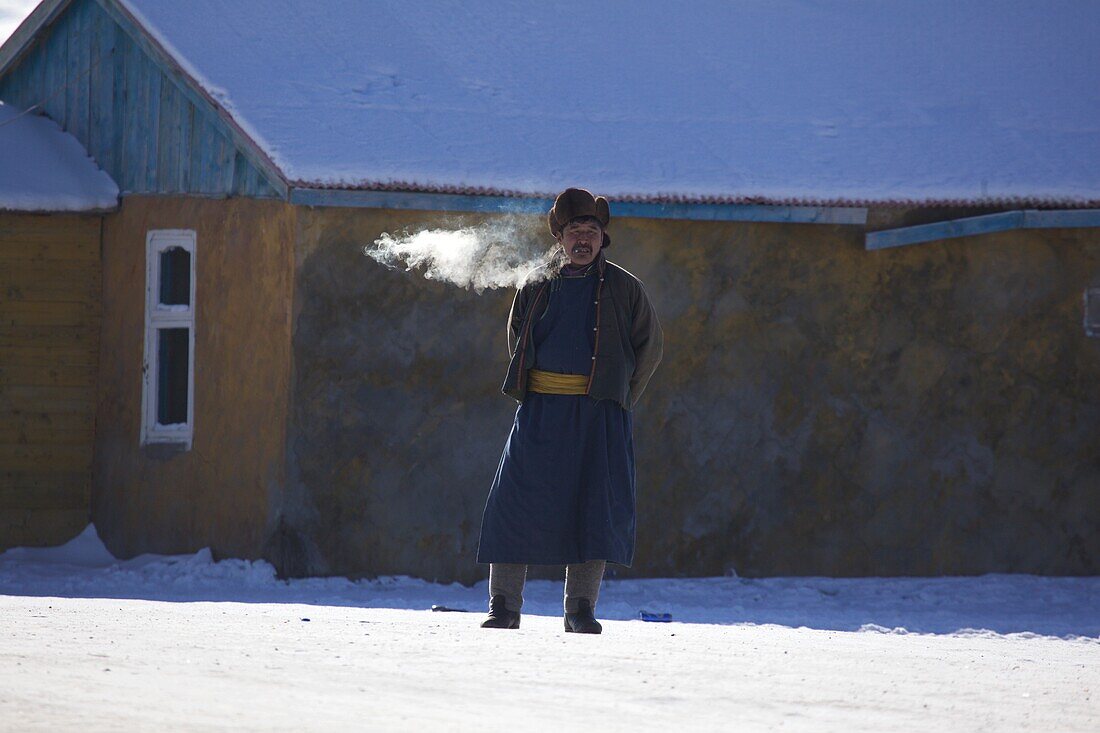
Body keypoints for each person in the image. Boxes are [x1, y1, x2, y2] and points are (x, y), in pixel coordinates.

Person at [476, 187, 663, 634]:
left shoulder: (625, 288)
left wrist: (617, 397)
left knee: (593, 508)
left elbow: (649, 350)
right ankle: (503, 607)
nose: (584, 239)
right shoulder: (536, 285)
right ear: (560, 237)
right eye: (576, 230)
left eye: (592, 231)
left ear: (603, 238)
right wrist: (539, 389)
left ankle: (581, 609)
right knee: (513, 505)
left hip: (599, 417)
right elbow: (518, 340)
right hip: (540, 413)